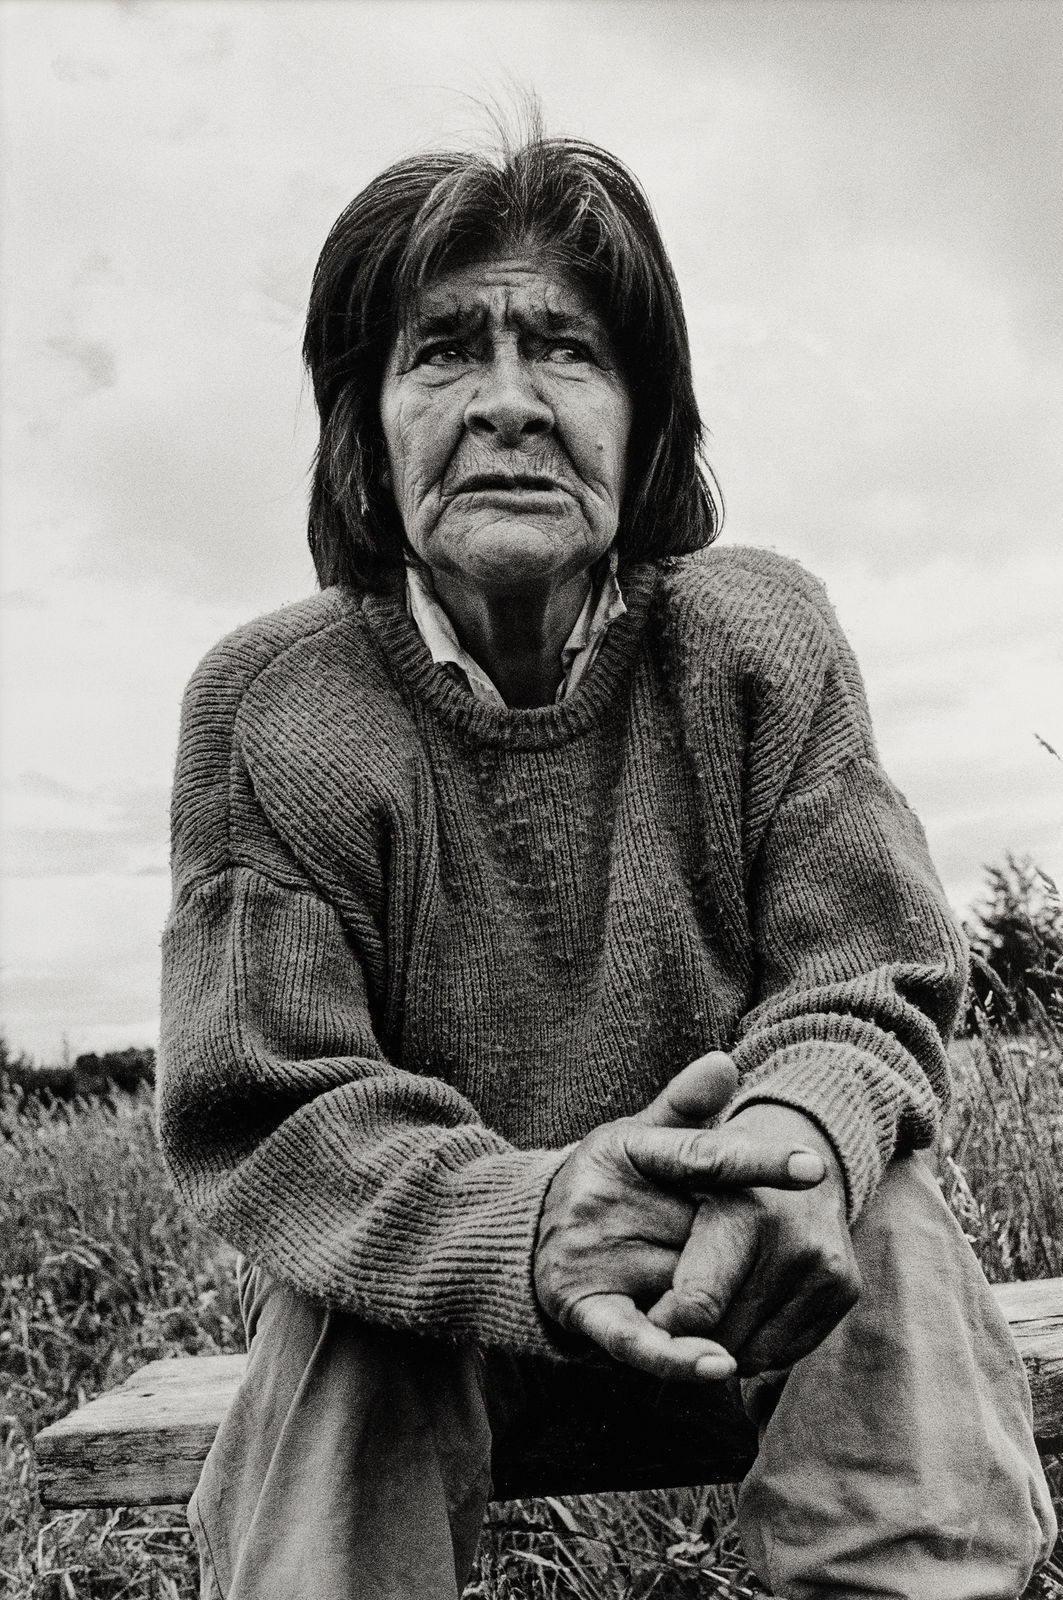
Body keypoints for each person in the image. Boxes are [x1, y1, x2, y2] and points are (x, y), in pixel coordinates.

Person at [158, 131, 1056, 1600]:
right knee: (339, 1321)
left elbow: (867, 977)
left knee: (877, 1210)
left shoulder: (758, 637)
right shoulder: (275, 705)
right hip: (441, 1315)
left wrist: (795, 1151)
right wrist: (531, 1221)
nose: (508, 399)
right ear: (363, 429)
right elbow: (275, 1111)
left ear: (644, 426)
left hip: (755, 1283)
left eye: (565, 349)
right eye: (443, 350)